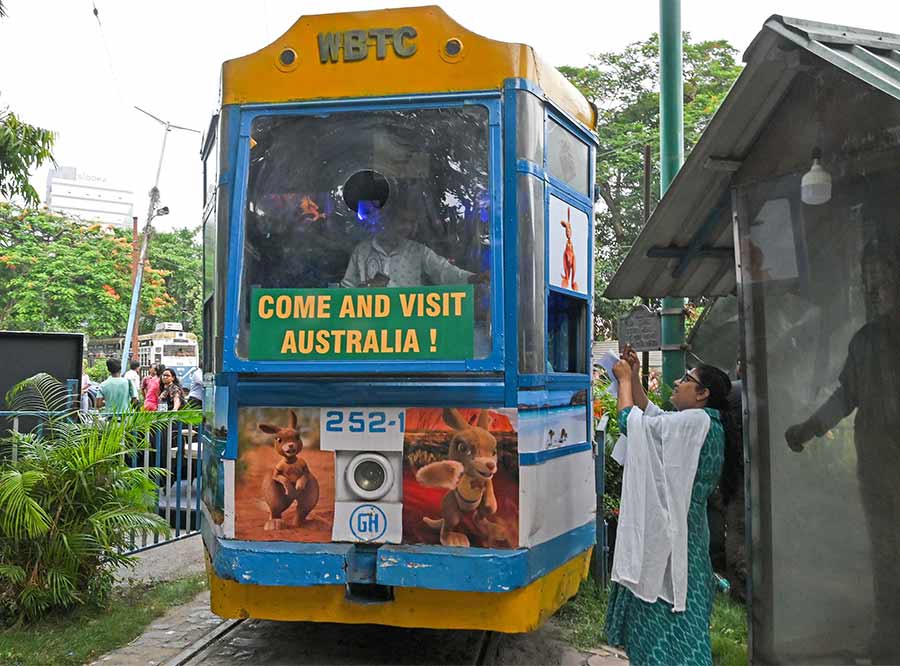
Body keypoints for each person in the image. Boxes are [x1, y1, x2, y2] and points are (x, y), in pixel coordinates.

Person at [785, 240, 900, 658]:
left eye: (884, 276)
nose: (875, 287)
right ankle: (889, 636)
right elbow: (845, 396)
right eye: (869, 279)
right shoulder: (866, 341)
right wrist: (807, 429)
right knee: (886, 549)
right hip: (877, 463)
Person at [604, 346, 734, 666]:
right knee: (681, 617)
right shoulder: (703, 423)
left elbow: (631, 423)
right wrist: (634, 376)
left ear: (702, 394)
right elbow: (655, 419)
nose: (677, 382)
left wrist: (621, 381)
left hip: (673, 542)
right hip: (688, 535)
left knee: (665, 617)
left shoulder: (694, 424)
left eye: (685, 379)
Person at [341, 207, 489, 288]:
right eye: (403, 221)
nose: (408, 227)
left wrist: (476, 278)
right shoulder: (362, 251)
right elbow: (346, 291)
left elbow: (445, 272)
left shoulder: (419, 251)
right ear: (388, 220)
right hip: (370, 327)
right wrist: (365, 289)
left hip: (410, 327)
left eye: (412, 223)